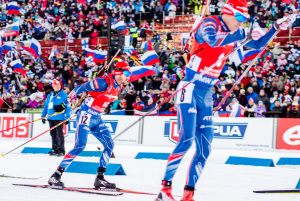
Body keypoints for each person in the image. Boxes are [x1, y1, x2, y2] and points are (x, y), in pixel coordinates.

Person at [155, 0, 295, 200]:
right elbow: (213, 41)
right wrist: (243, 34)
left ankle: (188, 194)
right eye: (239, 18)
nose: (241, 23)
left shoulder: (233, 33)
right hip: (190, 87)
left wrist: (275, 28)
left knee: (205, 147)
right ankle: (165, 189)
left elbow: (257, 44)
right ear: (228, 13)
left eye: (244, 20)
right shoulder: (210, 24)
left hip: (207, 93)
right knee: (186, 140)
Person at [48, 61, 132, 188]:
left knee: (109, 145)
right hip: (86, 116)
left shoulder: (119, 86)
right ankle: (56, 176)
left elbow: (101, 98)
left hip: (97, 118)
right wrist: (65, 104)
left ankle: (100, 178)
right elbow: (79, 89)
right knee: (80, 146)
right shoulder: (103, 82)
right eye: (126, 73)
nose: (128, 76)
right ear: (118, 72)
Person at [41, 80, 71, 156]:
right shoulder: (50, 95)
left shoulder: (64, 95)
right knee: (53, 134)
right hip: (51, 118)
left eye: (59, 86)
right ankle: (55, 149)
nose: (57, 87)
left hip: (59, 118)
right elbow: (46, 107)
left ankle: (61, 150)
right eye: (56, 86)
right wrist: (43, 116)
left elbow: (68, 108)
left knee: (59, 134)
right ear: (53, 87)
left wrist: (67, 118)